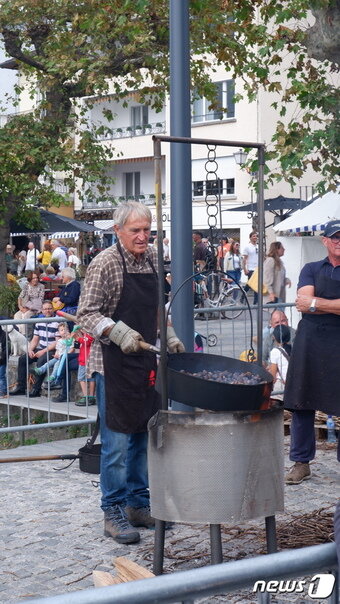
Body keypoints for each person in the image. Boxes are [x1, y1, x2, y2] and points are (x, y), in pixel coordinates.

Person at [76, 201, 184, 545]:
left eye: (146, 230)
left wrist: (166, 333)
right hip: (113, 365)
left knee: (142, 437)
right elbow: (86, 313)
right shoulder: (104, 263)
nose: (142, 236)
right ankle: (113, 510)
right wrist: (116, 331)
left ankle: (139, 503)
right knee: (117, 444)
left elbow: (156, 306)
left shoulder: (153, 259)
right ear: (118, 230)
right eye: (135, 230)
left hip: (144, 362)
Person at [284, 219, 340, 485]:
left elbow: (309, 302)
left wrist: (316, 302)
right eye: (335, 237)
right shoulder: (311, 268)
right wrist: (330, 305)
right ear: (325, 241)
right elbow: (302, 304)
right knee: (301, 402)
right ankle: (301, 462)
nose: (339, 241)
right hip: (310, 342)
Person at [10, 300, 59, 397]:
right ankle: (21, 387)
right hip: (41, 348)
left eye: (49, 308)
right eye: (45, 309)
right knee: (23, 359)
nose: (47, 311)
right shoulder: (39, 322)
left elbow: (57, 342)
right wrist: (30, 350)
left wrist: (43, 351)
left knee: (41, 361)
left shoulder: (57, 322)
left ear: (53, 309)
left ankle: (36, 390)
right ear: (42, 310)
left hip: (52, 350)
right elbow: (35, 339)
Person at [32, 322, 74, 387]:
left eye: (65, 330)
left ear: (68, 331)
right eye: (62, 330)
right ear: (59, 333)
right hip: (58, 356)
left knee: (56, 364)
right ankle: (41, 370)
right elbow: (57, 349)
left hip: (64, 357)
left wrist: (65, 355)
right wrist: (56, 354)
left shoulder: (70, 340)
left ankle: (53, 376)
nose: (64, 331)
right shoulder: (59, 340)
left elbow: (72, 349)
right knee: (49, 362)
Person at [14, 270, 45, 335]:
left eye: (36, 278)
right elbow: (20, 297)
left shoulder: (41, 286)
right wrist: (20, 307)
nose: (36, 279)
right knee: (17, 315)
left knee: (26, 315)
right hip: (24, 307)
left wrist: (28, 308)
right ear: (30, 279)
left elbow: (40, 300)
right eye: (34, 278)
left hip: (35, 308)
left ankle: (25, 335)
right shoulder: (26, 286)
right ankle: (19, 333)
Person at [72, 326, 96, 406]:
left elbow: (87, 342)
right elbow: (84, 341)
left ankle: (87, 397)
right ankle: (91, 397)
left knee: (81, 378)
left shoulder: (89, 334)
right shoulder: (88, 334)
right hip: (88, 359)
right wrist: (79, 334)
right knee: (91, 378)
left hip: (85, 360)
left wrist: (77, 337)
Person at [267, 324, 292, 401]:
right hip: (295, 384)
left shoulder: (275, 352)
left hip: (284, 387)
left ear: (274, 337)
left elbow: (272, 377)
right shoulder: (293, 348)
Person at [242, 231, 259, 304]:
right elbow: (244, 259)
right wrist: (245, 269)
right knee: (251, 284)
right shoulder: (247, 247)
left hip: (257, 268)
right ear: (250, 237)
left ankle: (256, 301)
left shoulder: (258, 246)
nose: (255, 237)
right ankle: (243, 296)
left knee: (255, 285)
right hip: (251, 268)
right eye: (253, 236)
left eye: (256, 236)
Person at [0, 325, 8, 398]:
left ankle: (3, 391)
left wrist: (2, 357)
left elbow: (7, 349)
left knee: (1, 376)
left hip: (2, 360)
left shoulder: (4, 335)